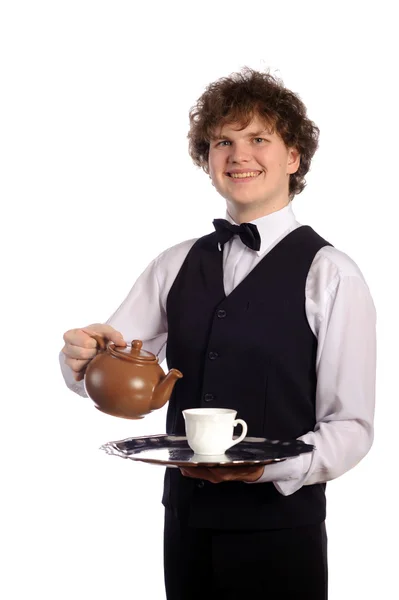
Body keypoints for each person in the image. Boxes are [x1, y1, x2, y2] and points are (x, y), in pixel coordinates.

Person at [60, 67, 376, 599]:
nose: (238, 155)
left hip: (281, 530)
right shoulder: (174, 263)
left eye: (258, 139)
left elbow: (351, 426)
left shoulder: (332, 272)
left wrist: (271, 467)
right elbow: (115, 372)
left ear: (293, 158)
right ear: (207, 160)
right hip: (187, 525)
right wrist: (83, 357)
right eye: (222, 142)